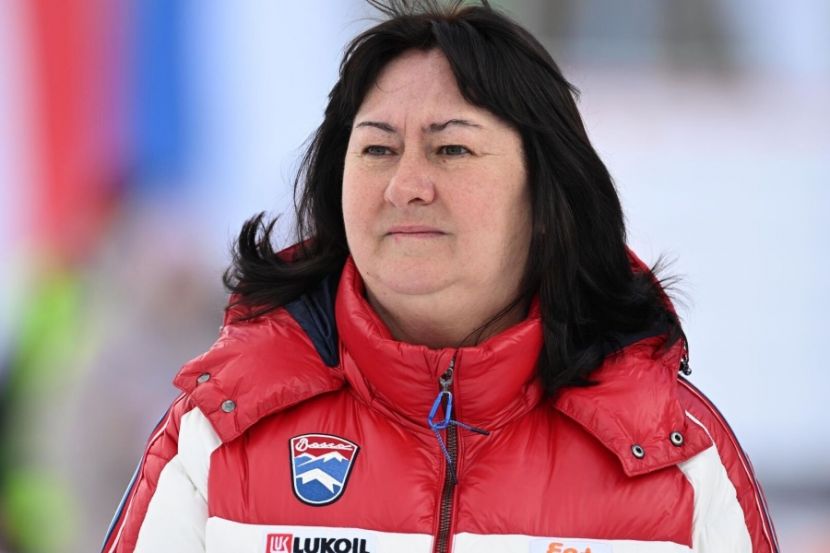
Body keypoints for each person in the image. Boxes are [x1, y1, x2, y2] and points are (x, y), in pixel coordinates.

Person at [102, 1, 778, 552]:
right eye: (377, 149)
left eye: (451, 148)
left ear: (548, 197)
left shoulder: (675, 455)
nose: (406, 185)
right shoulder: (220, 434)